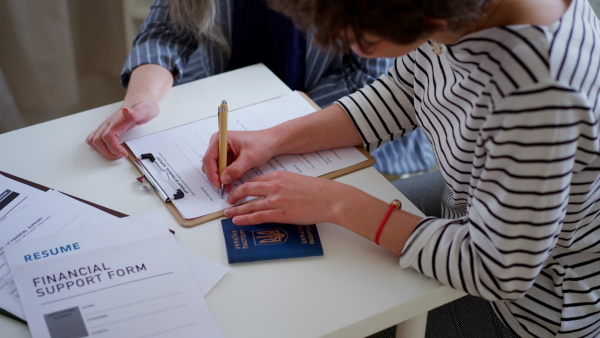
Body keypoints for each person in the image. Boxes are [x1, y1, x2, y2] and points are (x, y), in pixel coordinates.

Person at [201, 0, 600, 336]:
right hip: (467, 209)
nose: (354, 51)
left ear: (433, 23)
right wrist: (274, 138)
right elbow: (405, 90)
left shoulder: (540, 96)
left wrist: (339, 204)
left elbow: (498, 271)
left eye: (363, 42)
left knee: (311, 315)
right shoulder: (459, 11)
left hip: (529, 308)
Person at [85, 0, 436, 179]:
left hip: (349, 129)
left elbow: (367, 80)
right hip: (239, 128)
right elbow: (167, 32)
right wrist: (142, 99)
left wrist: (272, 135)